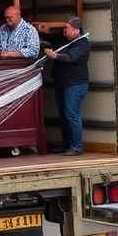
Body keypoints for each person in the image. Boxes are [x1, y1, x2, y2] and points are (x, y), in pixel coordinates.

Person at [43, 16, 90, 156]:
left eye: (67, 28)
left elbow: (71, 58)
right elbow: (51, 37)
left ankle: (76, 146)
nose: (64, 30)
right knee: (64, 115)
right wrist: (42, 31)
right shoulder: (65, 40)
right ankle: (66, 144)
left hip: (75, 84)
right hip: (62, 82)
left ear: (76, 30)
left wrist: (54, 56)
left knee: (71, 114)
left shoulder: (82, 44)